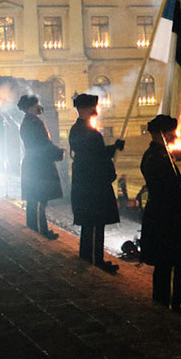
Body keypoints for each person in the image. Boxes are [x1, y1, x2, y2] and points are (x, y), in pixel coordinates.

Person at [139, 114, 181, 313]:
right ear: (161, 134)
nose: (174, 137)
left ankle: (161, 303)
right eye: (171, 133)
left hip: (160, 216)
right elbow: (171, 191)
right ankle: (172, 305)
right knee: (171, 265)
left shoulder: (154, 154)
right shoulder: (159, 159)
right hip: (168, 219)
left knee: (163, 266)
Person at [68, 93, 123, 273]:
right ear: (85, 109)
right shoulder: (88, 132)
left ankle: (89, 256)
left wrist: (113, 147)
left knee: (90, 223)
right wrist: (110, 167)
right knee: (94, 223)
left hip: (86, 184)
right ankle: (94, 259)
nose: (96, 109)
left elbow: (94, 153)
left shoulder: (79, 130)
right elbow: (96, 158)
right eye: (93, 106)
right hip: (93, 186)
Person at [17, 93, 64, 239]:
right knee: (38, 199)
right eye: (37, 105)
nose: (39, 107)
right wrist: (57, 152)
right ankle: (38, 231)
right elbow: (42, 144)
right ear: (31, 107)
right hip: (38, 166)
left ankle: (40, 228)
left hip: (34, 164)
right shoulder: (34, 123)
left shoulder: (30, 122)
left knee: (37, 199)